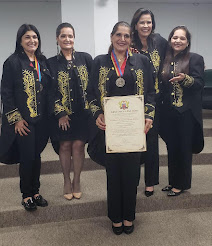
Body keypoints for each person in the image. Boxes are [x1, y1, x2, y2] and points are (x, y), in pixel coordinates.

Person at [87, 21, 155, 235]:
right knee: (113, 174)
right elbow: (90, 95)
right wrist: (97, 114)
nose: (122, 39)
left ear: (130, 39)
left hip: (134, 129)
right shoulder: (100, 62)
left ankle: (129, 216)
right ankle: (115, 217)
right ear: (111, 37)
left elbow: (152, 93)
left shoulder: (142, 61)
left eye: (126, 36)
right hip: (110, 130)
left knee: (132, 174)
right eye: (118, 35)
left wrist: (148, 116)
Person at [0, 24, 51, 211]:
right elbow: (6, 93)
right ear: (20, 41)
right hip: (24, 121)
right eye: (27, 37)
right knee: (27, 157)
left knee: (36, 156)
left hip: (41, 120)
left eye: (35, 37)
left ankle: (36, 191)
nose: (32, 41)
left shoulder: (42, 61)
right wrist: (16, 119)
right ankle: (26, 195)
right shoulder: (12, 62)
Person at [47, 23, 93, 200]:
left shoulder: (85, 58)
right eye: (63, 36)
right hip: (62, 115)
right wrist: (60, 113)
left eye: (70, 36)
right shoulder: (50, 63)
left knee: (79, 145)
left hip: (83, 113)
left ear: (74, 38)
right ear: (57, 39)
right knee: (65, 145)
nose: (67, 39)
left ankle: (77, 180)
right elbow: (49, 92)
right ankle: (66, 180)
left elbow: (92, 85)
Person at [160, 26, 204, 196]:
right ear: (170, 40)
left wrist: (185, 79)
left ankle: (182, 184)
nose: (177, 41)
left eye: (182, 38)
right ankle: (173, 182)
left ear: (187, 42)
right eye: (174, 38)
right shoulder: (165, 59)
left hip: (186, 113)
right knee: (172, 148)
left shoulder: (195, 59)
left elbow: (199, 84)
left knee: (184, 148)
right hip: (169, 112)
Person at [130, 8, 167, 197]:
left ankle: (150, 182)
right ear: (135, 25)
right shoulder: (128, 42)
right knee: (135, 142)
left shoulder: (159, 41)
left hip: (155, 101)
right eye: (142, 22)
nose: (146, 26)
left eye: (149, 22)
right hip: (133, 102)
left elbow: (174, 55)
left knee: (152, 142)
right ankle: (133, 180)